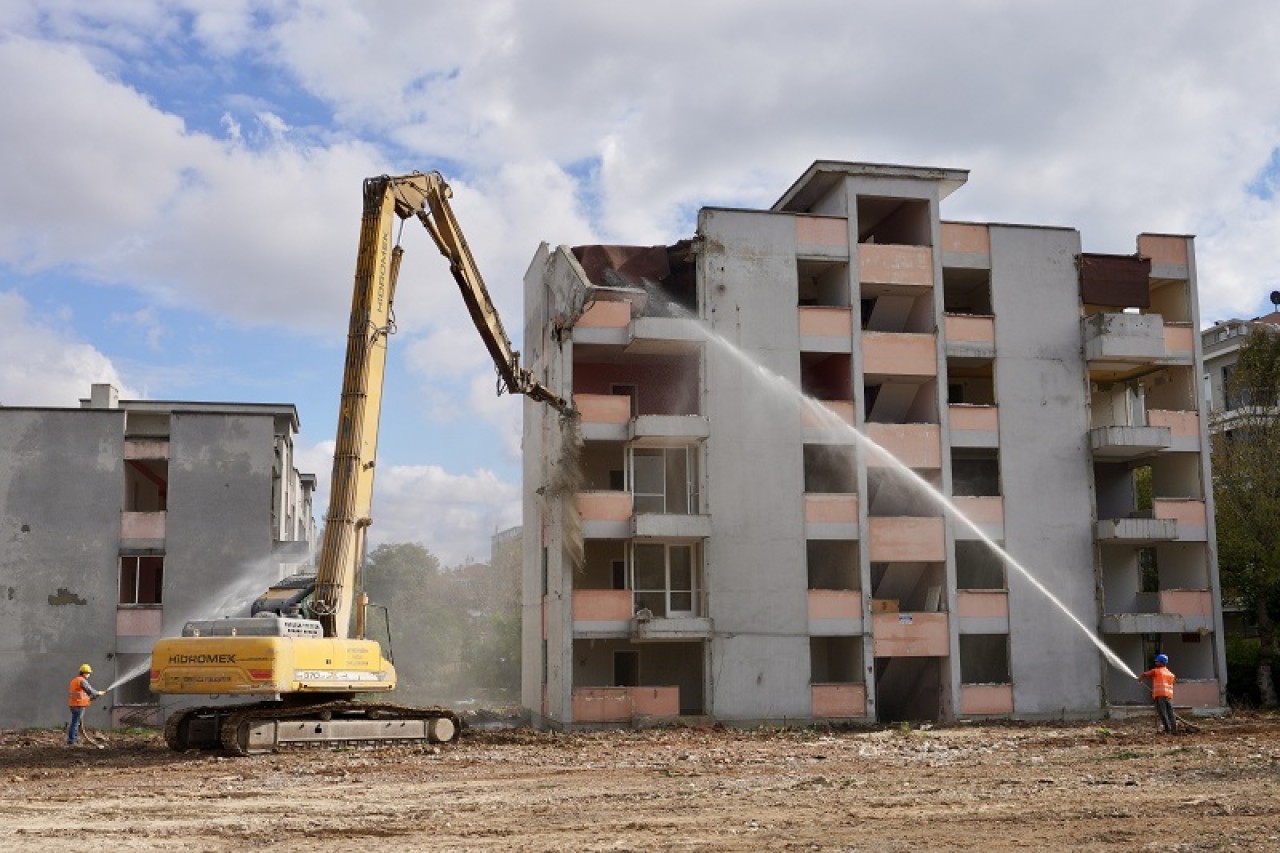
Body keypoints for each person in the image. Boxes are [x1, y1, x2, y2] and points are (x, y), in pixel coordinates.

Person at [1138, 653, 1177, 734]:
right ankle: (1174, 729)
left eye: (1157, 662)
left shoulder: (1157, 671)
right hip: (1169, 696)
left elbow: (1145, 674)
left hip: (1160, 696)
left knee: (1162, 712)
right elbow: (1173, 683)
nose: (1156, 663)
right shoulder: (1170, 674)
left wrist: (1139, 679)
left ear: (1162, 663)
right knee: (1170, 712)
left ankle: (1167, 729)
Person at [67, 663, 103, 745]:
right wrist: (98, 693)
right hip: (78, 705)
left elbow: (83, 693)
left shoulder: (75, 680)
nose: (89, 675)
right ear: (85, 673)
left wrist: (94, 695)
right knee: (75, 723)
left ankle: (74, 739)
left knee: (76, 722)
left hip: (73, 704)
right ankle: (72, 741)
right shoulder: (82, 681)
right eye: (89, 673)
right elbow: (91, 691)